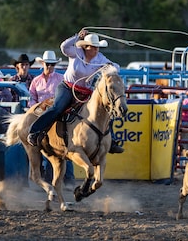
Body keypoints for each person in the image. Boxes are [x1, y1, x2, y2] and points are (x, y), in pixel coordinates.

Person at [27, 29, 124, 154]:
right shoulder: (76, 53)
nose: (96, 50)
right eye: (94, 47)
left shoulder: (100, 58)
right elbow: (64, 47)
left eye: (97, 47)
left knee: (103, 110)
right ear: (86, 47)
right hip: (67, 87)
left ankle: (112, 141)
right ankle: (35, 131)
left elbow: (116, 67)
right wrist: (77, 37)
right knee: (57, 107)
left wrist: (110, 66)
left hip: (85, 92)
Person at [29, 50, 75, 188]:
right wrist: (35, 110)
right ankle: (49, 179)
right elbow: (32, 98)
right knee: (45, 147)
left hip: (57, 115)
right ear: (43, 64)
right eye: (48, 64)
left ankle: (68, 180)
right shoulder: (36, 81)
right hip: (41, 114)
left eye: (52, 65)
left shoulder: (61, 79)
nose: (50, 67)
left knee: (66, 145)